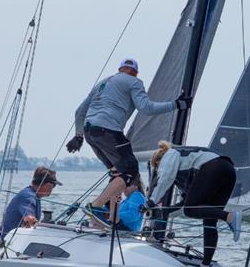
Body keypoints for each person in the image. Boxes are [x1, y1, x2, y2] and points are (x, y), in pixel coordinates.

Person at [66, 57, 192, 220]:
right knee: (130, 171)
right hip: (108, 130)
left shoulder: (102, 83)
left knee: (117, 173)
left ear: (120, 69)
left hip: (90, 132)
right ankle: (95, 207)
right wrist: (176, 104)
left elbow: (79, 112)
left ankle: (112, 218)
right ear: (135, 72)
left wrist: (78, 136)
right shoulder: (134, 82)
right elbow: (146, 108)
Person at [144, 141, 243, 267]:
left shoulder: (169, 154)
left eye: (157, 167)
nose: (159, 171)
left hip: (213, 168)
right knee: (210, 221)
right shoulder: (183, 165)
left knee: (190, 210)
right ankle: (205, 266)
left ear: (158, 161)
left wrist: (150, 202)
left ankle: (229, 216)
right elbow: (185, 201)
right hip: (228, 170)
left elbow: (165, 179)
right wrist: (168, 211)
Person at [0, 166, 62, 238]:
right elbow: (30, 219)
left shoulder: (33, 195)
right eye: (54, 185)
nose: (53, 188)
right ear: (48, 185)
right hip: (8, 242)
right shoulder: (28, 196)